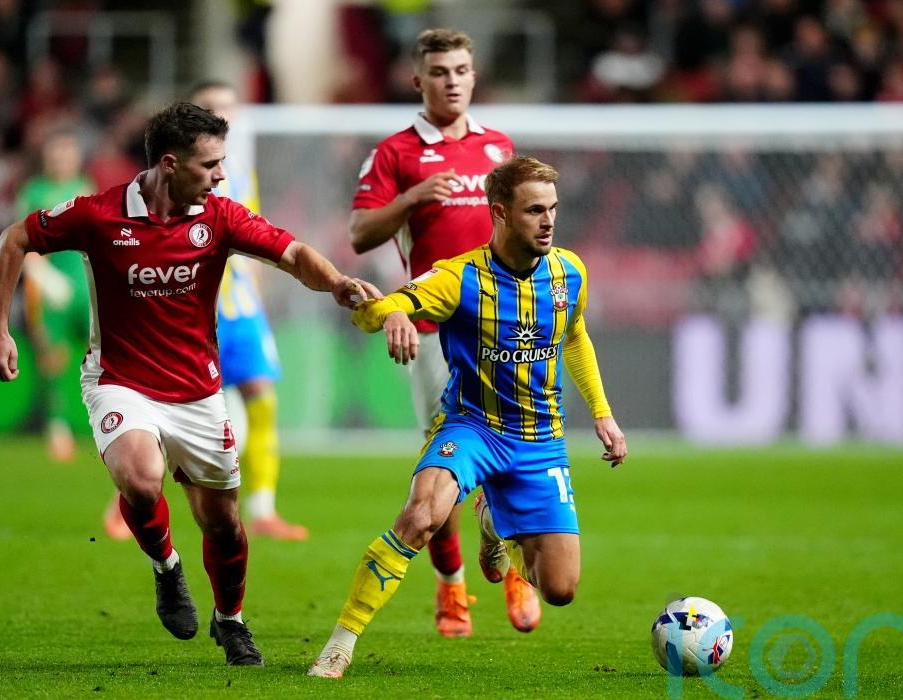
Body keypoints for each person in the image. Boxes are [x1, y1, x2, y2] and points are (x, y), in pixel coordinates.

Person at [0, 102, 378, 666]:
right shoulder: (98, 214)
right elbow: (14, 238)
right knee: (141, 479)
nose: (221, 175)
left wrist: (336, 282)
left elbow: (291, 253)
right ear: (170, 164)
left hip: (197, 390)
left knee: (224, 524)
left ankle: (231, 620)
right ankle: (167, 568)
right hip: (119, 380)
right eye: (210, 164)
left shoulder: (219, 216)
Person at [308, 156, 628, 678]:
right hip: (472, 428)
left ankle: (494, 521)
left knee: (560, 589)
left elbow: (575, 336)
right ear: (499, 213)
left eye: (552, 209)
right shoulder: (458, 278)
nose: (548, 221)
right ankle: (340, 644)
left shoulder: (569, 272)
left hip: (540, 439)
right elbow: (373, 313)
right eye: (534, 210)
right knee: (420, 517)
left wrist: (603, 414)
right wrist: (391, 312)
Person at [349, 27, 535, 638]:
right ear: (417, 80)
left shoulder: (498, 147)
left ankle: (512, 563)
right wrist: (412, 197)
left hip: (505, 328)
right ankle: (452, 585)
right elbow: (360, 234)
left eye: (460, 70)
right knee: (446, 466)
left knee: (515, 451)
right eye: (439, 71)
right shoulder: (395, 153)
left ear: (473, 76)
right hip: (435, 332)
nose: (451, 81)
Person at [102, 80, 308, 541]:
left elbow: (254, 239)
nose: (225, 117)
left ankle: (263, 508)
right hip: (193, 309)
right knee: (165, 413)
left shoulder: (241, 174)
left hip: (241, 308)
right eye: (214, 109)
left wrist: (257, 289)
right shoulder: (175, 177)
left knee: (262, 399)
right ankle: (127, 500)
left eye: (230, 109)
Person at [18, 130, 95, 463]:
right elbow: (22, 243)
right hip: (50, 291)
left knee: (105, 355)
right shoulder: (34, 192)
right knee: (54, 358)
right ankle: (57, 427)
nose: (62, 160)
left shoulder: (86, 187)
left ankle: (110, 420)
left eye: (68, 153)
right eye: (57, 154)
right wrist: (45, 277)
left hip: (86, 287)